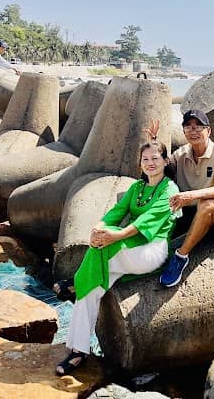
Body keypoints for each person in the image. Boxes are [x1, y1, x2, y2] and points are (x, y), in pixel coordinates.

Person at [53, 140, 179, 376]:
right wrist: (99, 228)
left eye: (155, 158)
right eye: (145, 160)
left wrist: (116, 235)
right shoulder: (136, 188)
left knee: (101, 251)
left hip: (151, 250)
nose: (150, 163)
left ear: (165, 161)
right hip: (128, 249)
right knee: (91, 287)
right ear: (140, 164)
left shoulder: (170, 190)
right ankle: (78, 351)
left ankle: (74, 281)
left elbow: (147, 221)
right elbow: (116, 212)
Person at [150, 109, 214, 288]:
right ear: (184, 132)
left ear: (208, 131)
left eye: (199, 126)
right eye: (188, 126)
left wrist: (191, 195)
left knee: (207, 203)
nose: (193, 130)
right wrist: (153, 142)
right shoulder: (181, 154)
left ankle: (181, 258)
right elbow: (159, 168)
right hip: (188, 214)